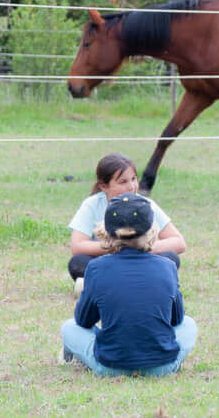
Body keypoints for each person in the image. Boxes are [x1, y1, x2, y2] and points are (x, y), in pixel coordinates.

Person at [60, 193, 198, 376]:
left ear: (107, 231)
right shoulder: (168, 266)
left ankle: (69, 358)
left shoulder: (95, 268)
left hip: (109, 367)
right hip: (162, 367)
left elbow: (83, 320)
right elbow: (177, 319)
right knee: (189, 323)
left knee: (69, 327)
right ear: (151, 230)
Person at [67, 153, 185, 287]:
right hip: (108, 263)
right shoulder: (92, 205)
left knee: (171, 258)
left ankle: (106, 284)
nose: (132, 186)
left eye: (134, 179)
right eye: (123, 182)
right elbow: (77, 246)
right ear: (104, 186)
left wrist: (142, 246)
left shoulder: (146, 204)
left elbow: (179, 242)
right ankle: (140, 284)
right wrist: (117, 246)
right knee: (78, 262)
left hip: (141, 262)